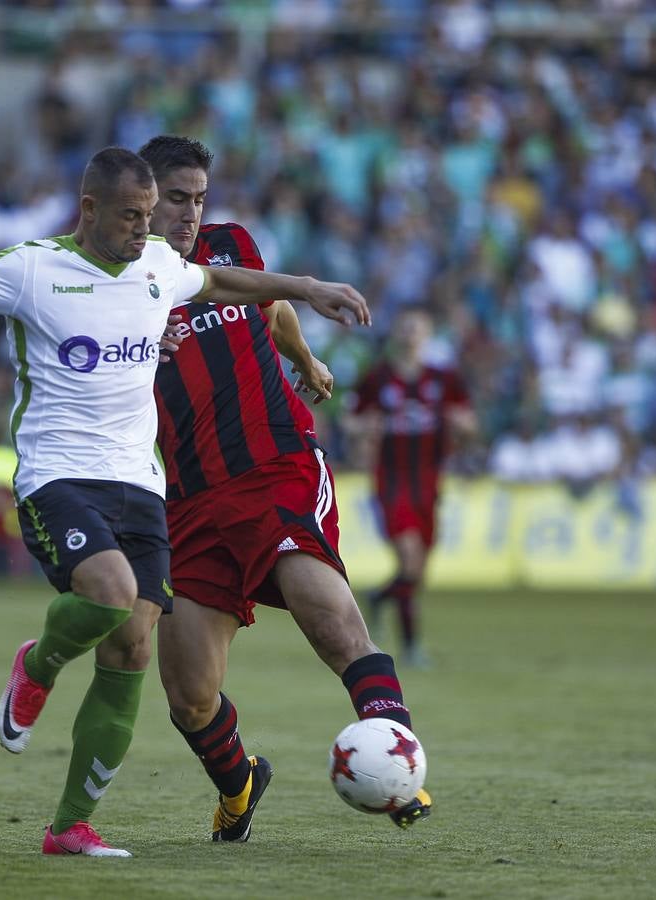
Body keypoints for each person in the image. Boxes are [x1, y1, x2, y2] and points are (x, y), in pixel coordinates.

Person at [0, 147, 370, 858]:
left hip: (142, 486)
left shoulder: (159, 267)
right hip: (58, 477)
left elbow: (228, 282)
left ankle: (70, 827)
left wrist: (308, 287)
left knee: (132, 647)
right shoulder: (33, 269)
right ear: (89, 211)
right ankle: (38, 665)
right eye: (131, 217)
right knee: (111, 595)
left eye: (151, 216)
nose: (146, 231)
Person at [138, 134, 433, 842]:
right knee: (189, 696)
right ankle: (240, 784)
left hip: (275, 466)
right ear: (139, 200)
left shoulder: (231, 245)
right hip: (189, 501)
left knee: (331, 622)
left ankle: (398, 770)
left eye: (198, 198)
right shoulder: (112, 289)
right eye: (175, 199)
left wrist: (305, 358)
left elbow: (269, 308)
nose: (189, 213)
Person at [346, 307, 477, 667]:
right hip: (391, 480)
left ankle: (378, 598)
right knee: (409, 559)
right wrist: (365, 428)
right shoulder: (379, 378)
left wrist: (463, 426)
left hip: (429, 481)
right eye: (404, 328)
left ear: (428, 334)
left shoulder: (444, 379)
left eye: (417, 329)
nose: (410, 335)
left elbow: (469, 423)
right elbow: (350, 420)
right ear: (396, 335)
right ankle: (412, 646)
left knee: (417, 572)